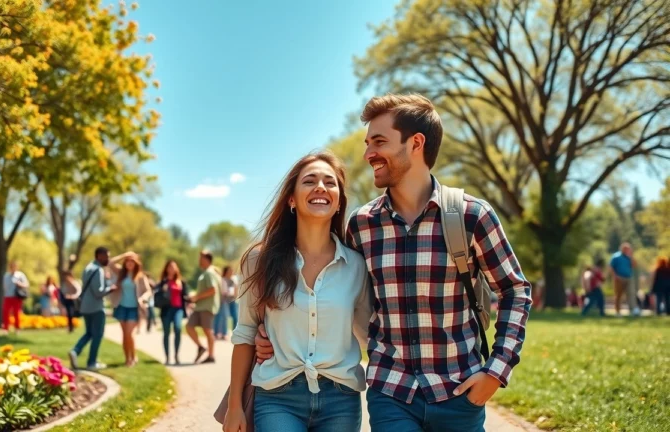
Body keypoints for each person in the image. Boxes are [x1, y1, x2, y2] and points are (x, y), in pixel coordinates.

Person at [255, 94, 532, 431]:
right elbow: (333, 290)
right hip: (391, 393)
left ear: (416, 143)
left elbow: (514, 290)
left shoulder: (471, 215)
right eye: (368, 143)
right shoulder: (362, 225)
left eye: (379, 141)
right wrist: (275, 333)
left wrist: (497, 370)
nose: (368, 153)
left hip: (460, 392)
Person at [224, 151, 370, 432]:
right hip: (278, 398)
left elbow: (369, 335)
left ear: (339, 201)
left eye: (330, 182)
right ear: (291, 199)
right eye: (309, 181)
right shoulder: (259, 260)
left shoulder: (356, 265)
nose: (320, 187)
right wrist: (234, 406)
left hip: (341, 400)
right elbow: (245, 333)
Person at [68, 247, 125, 371]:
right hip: (96, 308)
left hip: (85, 306)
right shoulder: (98, 270)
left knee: (89, 333)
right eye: (106, 256)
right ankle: (92, 362)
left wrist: (106, 281)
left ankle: (75, 351)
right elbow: (98, 292)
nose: (108, 259)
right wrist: (111, 288)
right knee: (97, 335)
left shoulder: (88, 268)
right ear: (99, 256)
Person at [109, 252, 152, 367]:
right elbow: (110, 263)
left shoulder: (140, 276)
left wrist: (142, 298)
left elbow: (148, 291)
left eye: (132, 261)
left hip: (134, 309)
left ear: (136, 263)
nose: (129, 263)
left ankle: (133, 357)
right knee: (124, 335)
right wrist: (125, 255)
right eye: (127, 261)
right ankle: (127, 358)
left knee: (129, 334)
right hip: (121, 307)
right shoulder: (120, 273)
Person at [187, 250, 222, 364]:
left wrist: (197, 297)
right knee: (189, 326)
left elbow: (212, 290)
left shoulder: (209, 273)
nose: (199, 260)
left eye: (201, 258)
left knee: (207, 331)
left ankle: (211, 356)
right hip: (200, 307)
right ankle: (201, 347)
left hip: (207, 307)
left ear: (207, 259)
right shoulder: (206, 272)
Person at [155, 260, 191, 365]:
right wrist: (163, 290)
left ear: (176, 269)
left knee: (178, 328)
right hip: (166, 309)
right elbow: (157, 294)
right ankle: (167, 357)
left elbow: (185, 295)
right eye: (170, 267)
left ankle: (176, 355)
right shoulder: (163, 282)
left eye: (173, 267)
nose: (171, 269)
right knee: (166, 332)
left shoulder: (181, 282)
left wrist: (190, 300)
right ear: (166, 269)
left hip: (178, 309)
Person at [610, 242, 639, 316]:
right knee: (618, 295)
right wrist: (615, 276)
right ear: (622, 249)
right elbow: (611, 267)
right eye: (626, 249)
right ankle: (618, 311)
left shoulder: (629, 257)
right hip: (619, 278)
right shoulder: (616, 256)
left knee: (631, 293)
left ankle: (633, 310)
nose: (627, 250)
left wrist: (631, 257)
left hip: (629, 277)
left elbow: (634, 265)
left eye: (628, 249)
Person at [2, 261, 29, 333]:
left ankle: (17, 328)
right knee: (5, 312)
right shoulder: (6, 276)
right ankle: (5, 329)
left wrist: (19, 284)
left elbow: (26, 285)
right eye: (11, 266)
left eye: (14, 266)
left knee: (16, 313)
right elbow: (4, 286)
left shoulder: (20, 275)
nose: (12, 268)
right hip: (7, 296)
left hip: (16, 297)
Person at [214, 265, 231, 340]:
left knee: (221, 317)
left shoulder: (221, 280)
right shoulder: (221, 280)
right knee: (221, 317)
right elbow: (225, 292)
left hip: (221, 302)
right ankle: (220, 333)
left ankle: (221, 333)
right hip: (221, 301)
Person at [222, 266, 239, 331]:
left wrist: (235, 296)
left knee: (235, 317)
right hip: (225, 301)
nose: (231, 272)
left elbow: (236, 289)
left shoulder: (233, 279)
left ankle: (234, 331)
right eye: (230, 271)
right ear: (226, 271)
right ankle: (224, 332)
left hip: (232, 300)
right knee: (225, 317)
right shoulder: (223, 280)